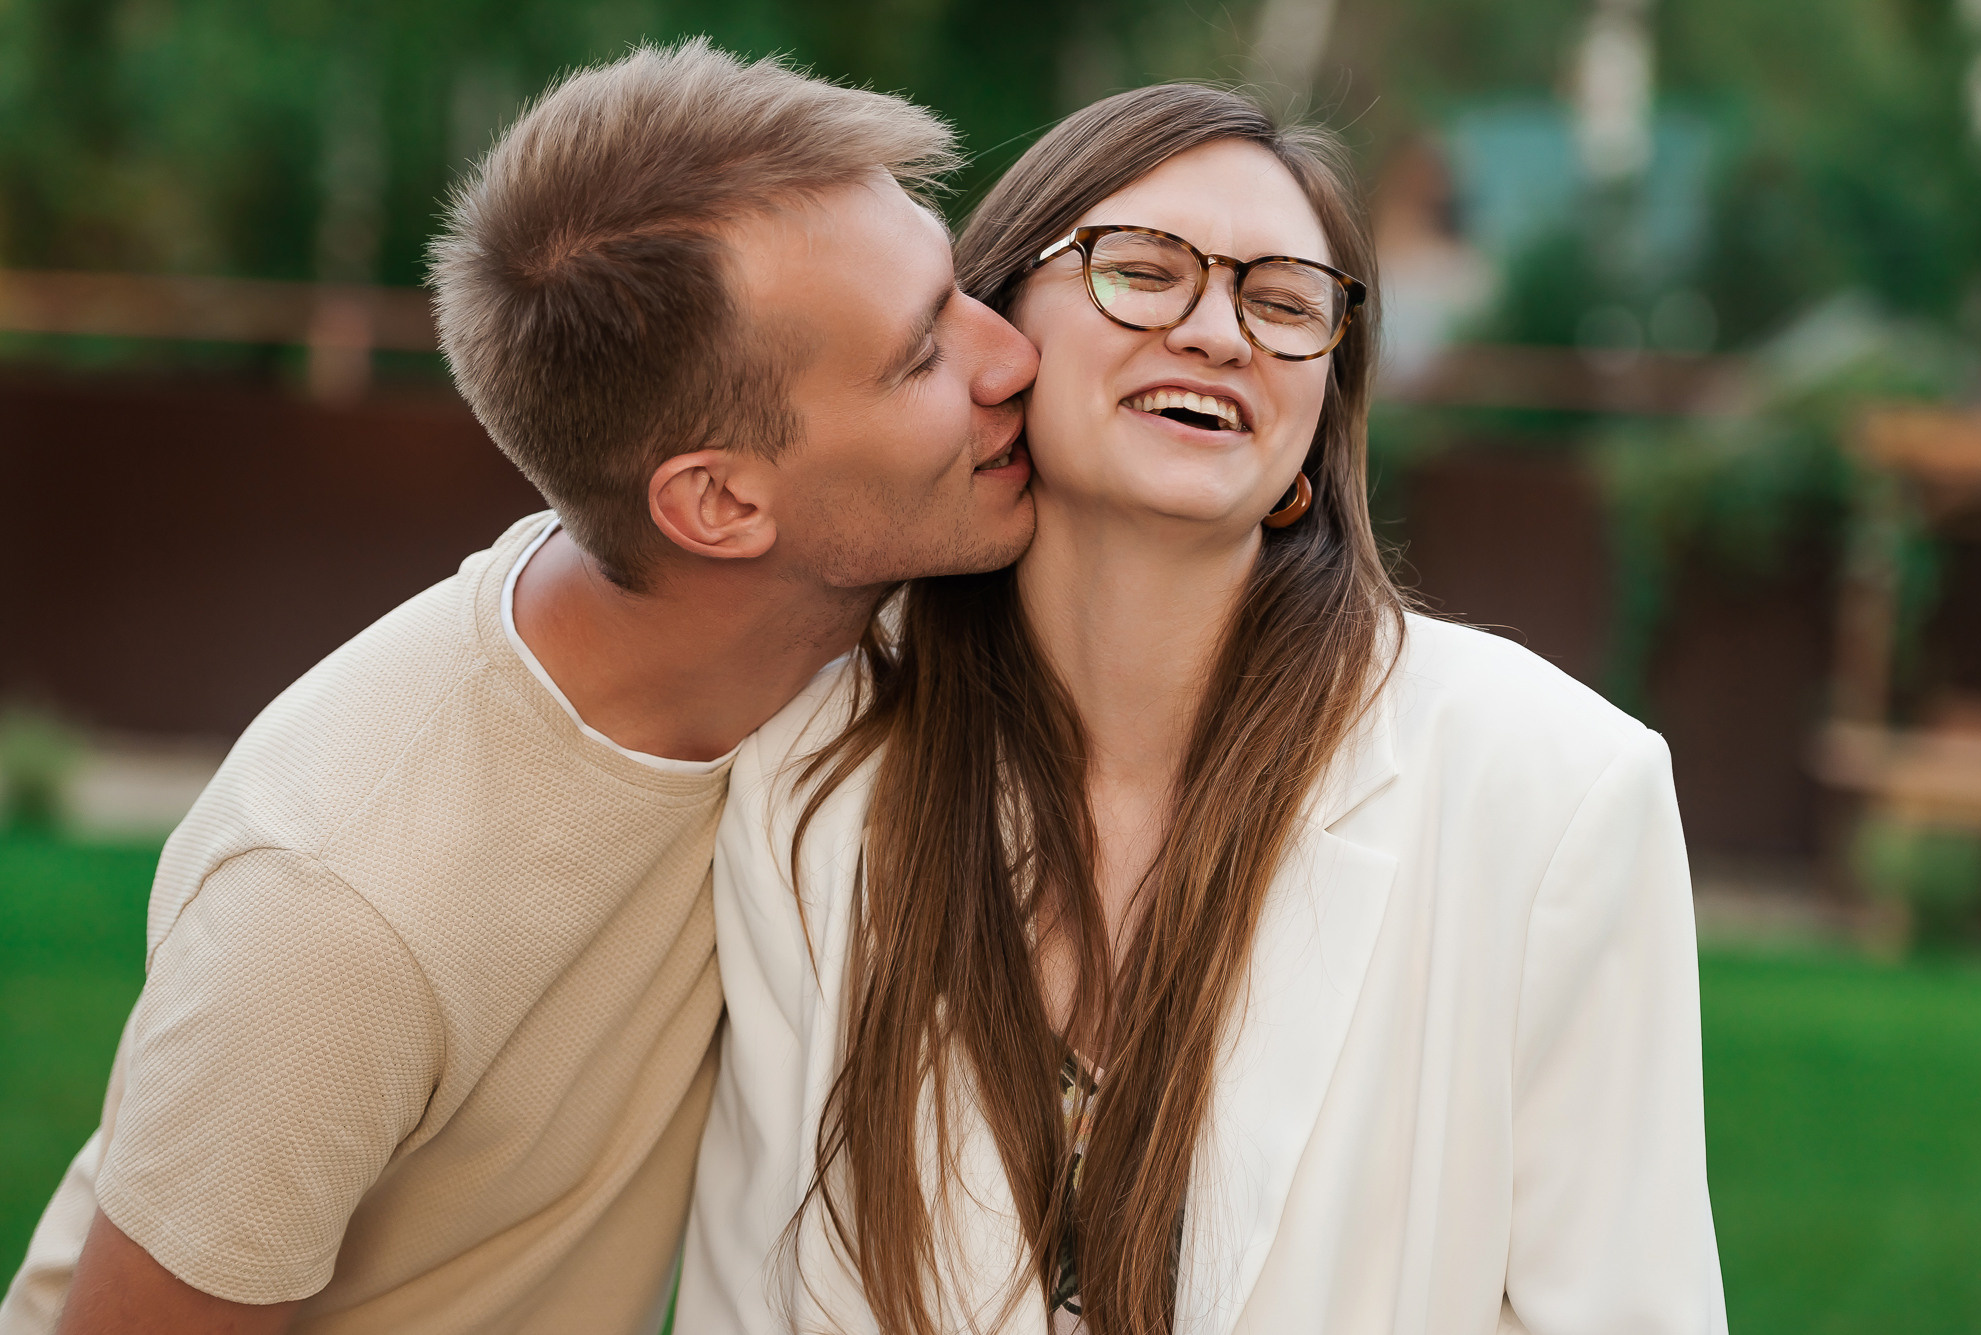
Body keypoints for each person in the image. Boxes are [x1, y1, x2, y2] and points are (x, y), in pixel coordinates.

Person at [0, 38, 1035, 1335]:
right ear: (719, 503)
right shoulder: (337, 906)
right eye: (922, 354)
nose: (1012, 357)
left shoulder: (836, 628)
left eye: (960, 290)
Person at [679, 83, 1728, 1335]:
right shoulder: (807, 772)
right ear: (998, 333)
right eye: (1141, 270)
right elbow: (750, 1301)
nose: (1219, 332)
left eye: (1284, 303)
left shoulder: (1554, 791)